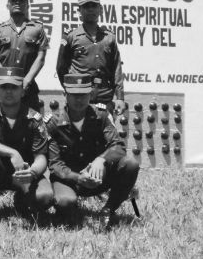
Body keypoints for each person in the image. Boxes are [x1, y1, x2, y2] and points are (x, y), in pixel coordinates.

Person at [46, 73, 139, 229]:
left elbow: (118, 145)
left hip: (98, 177)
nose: (79, 99)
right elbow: (54, 164)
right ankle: (70, 207)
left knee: (130, 164)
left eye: (83, 94)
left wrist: (101, 160)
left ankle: (109, 209)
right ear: (65, 95)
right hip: (70, 179)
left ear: (91, 94)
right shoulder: (53, 123)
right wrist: (78, 178)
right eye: (74, 94)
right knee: (65, 202)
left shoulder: (101, 116)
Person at [0, 67, 54, 227]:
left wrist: (33, 172)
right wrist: (12, 153)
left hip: (24, 173)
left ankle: (21, 202)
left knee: (46, 197)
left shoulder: (34, 118)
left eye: (14, 87)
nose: (9, 91)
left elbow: (41, 157)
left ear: (23, 91)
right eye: (4, 87)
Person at [56, 0, 125, 115]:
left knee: (105, 131)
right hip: (79, 95)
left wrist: (120, 97)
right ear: (79, 11)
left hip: (105, 96)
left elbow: (116, 68)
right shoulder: (71, 36)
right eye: (86, 7)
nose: (90, 9)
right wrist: (70, 89)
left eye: (94, 6)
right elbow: (61, 67)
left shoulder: (109, 38)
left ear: (101, 9)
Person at [0, 0, 48, 111]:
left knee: (31, 125)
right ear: (7, 5)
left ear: (28, 5)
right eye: (14, 0)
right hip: (4, 88)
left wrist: (27, 80)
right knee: (3, 125)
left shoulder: (37, 29)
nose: (18, 3)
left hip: (28, 87)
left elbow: (40, 58)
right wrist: (7, 79)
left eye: (21, 0)